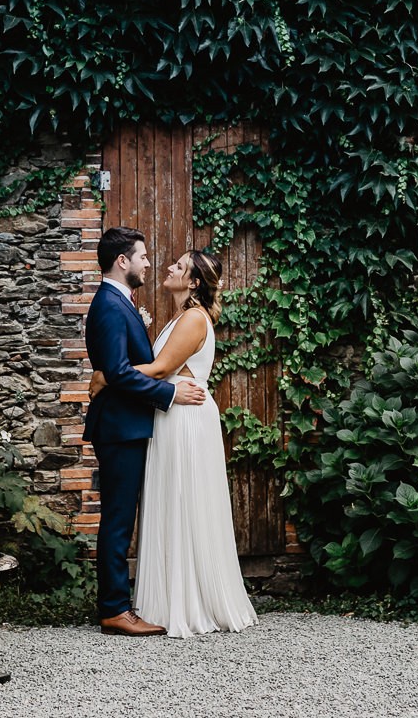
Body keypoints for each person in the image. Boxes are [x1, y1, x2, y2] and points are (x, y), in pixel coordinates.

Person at [90, 248, 258, 638]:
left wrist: (108, 377)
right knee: (172, 501)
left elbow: (163, 368)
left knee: (184, 501)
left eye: (179, 267)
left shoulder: (194, 319)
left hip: (184, 419)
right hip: (171, 413)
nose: (167, 267)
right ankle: (168, 596)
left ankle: (190, 599)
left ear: (194, 282)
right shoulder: (182, 315)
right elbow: (165, 370)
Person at [83, 227, 207, 636]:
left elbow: (114, 372)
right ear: (123, 261)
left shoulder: (120, 303)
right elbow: (118, 372)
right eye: (142, 256)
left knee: (121, 516)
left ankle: (118, 604)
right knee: (118, 519)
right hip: (119, 425)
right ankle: (114, 609)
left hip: (126, 423)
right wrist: (168, 393)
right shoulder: (110, 305)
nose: (149, 263)